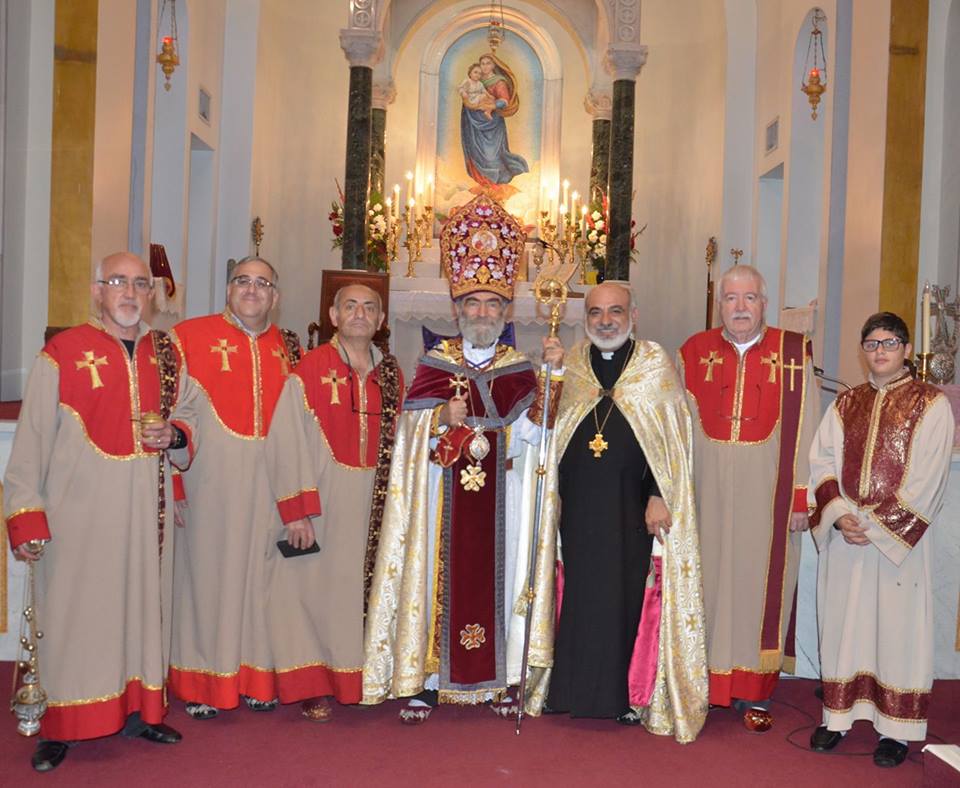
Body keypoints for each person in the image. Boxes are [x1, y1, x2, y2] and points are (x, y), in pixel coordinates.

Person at [362, 194, 562, 723]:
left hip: (504, 498)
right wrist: (438, 418)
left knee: (504, 579)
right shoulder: (434, 364)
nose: (482, 313)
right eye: (472, 303)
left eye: (492, 304)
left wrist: (552, 380)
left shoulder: (518, 366)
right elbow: (408, 440)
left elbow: (537, 434)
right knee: (436, 578)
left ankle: (501, 679)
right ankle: (428, 680)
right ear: (456, 309)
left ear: (506, 311)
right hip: (440, 498)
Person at [4, 252, 183, 771]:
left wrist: (175, 434)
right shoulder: (61, 353)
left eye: (140, 284)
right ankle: (62, 725)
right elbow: (31, 442)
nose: (129, 292)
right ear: (96, 290)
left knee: (140, 613)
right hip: (77, 517)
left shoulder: (166, 355)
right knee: (74, 620)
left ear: (151, 295)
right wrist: (26, 516)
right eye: (117, 281)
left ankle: (139, 712)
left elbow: (190, 413)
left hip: (145, 515)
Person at [539, 282, 707, 739]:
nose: (606, 321)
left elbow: (672, 441)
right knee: (577, 594)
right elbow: (551, 428)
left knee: (625, 596)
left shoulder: (653, 363)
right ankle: (569, 690)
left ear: (634, 315)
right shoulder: (573, 363)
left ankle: (623, 696)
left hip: (633, 507)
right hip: (578, 504)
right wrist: (549, 378)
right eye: (596, 313)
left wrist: (659, 493)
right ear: (585, 319)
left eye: (615, 311)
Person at [808, 312, 954, 768]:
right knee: (844, 626)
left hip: (897, 548)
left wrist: (875, 526)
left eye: (889, 342)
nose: (880, 351)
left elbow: (930, 477)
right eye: (871, 344)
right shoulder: (845, 404)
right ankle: (837, 717)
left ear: (906, 349)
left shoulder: (931, 404)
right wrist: (839, 516)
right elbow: (821, 463)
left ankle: (896, 729)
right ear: (863, 351)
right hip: (848, 539)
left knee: (898, 632)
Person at [678, 264, 819, 732]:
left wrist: (800, 496)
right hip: (707, 491)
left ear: (764, 303)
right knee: (709, 583)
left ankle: (754, 689)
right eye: (731, 298)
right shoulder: (692, 352)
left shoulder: (793, 351)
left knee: (759, 585)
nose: (740, 307)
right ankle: (704, 681)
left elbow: (809, 426)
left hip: (769, 492)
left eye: (750, 298)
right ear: (720, 305)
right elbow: (677, 430)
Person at [166, 256, 307, 719]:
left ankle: (255, 678)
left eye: (262, 283)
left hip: (270, 485)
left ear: (275, 297)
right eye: (242, 281)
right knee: (207, 580)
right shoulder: (187, 337)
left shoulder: (288, 348)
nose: (251, 289)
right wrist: (176, 486)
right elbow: (170, 416)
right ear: (228, 290)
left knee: (263, 581)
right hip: (209, 481)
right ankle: (203, 682)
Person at [262, 283, 403, 721]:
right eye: (350, 306)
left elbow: (406, 438)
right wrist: (297, 511)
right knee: (308, 591)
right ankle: (311, 684)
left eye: (369, 307)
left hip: (374, 501)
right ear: (333, 315)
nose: (360, 314)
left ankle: (358, 679)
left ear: (381, 320)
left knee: (355, 593)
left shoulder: (392, 374)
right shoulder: (309, 368)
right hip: (322, 497)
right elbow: (286, 440)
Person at [460, 53, 529, 189]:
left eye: (488, 63)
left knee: (491, 156)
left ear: (493, 65)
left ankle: (497, 184)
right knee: (475, 152)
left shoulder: (499, 82)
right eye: (483, 63)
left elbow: (504, 101)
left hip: (492, 124)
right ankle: (484, 185)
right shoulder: (475, 80)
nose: (485, 66)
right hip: (473, 123)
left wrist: (490, 106)